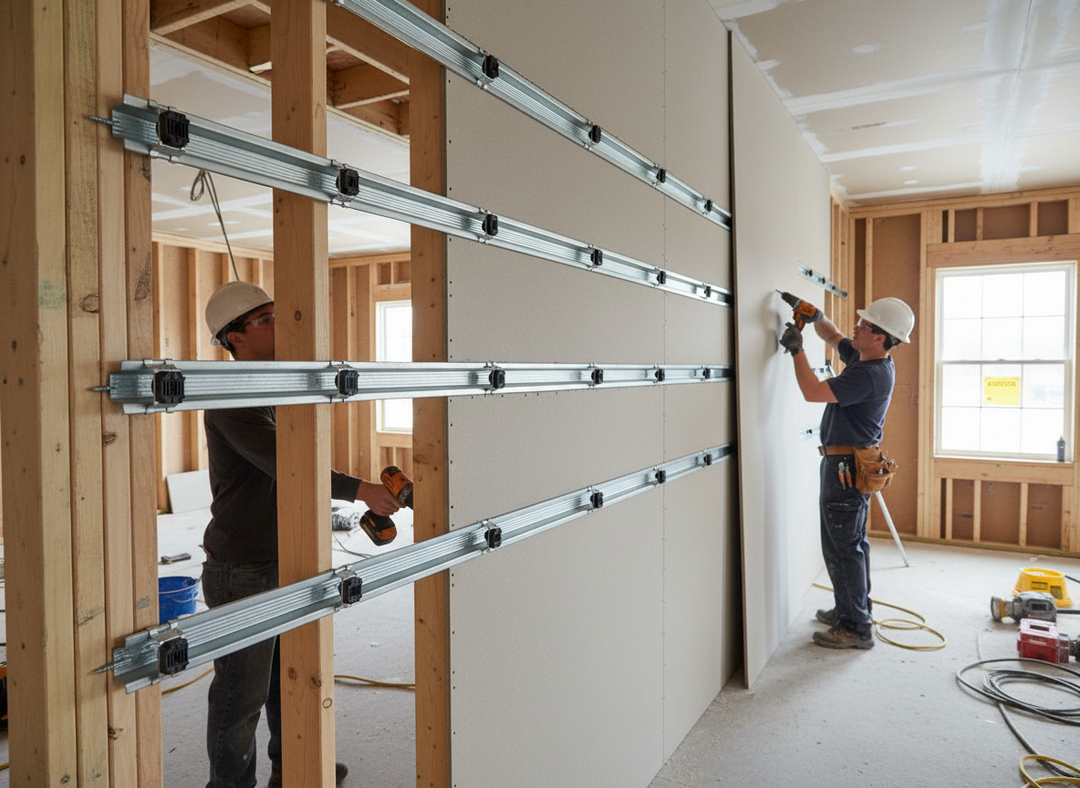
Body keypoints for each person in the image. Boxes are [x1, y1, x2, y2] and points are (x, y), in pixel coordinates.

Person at [201, 280, 401, 788]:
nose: (279, 324)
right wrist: (361, 490)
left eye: (276, 314)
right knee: (240, 696)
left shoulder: (278, 386)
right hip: (242, 566)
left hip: (286, 553)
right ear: (234, 338)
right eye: (265, 319)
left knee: (287, 679)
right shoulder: (231, 397)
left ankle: (292, 769)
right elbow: (288, 463)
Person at [779, 294, 915, 650]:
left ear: (880, 337)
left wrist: (796, 349)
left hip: (846, 468)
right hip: (848, 463)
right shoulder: (865, 357)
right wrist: (816, 317)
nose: (856, 327)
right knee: (851, 543)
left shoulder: (870, 375)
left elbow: (813, 392)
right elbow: (833, 335)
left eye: (864, 325)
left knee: (843, 547)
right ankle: (852, 610)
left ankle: (855, 627)